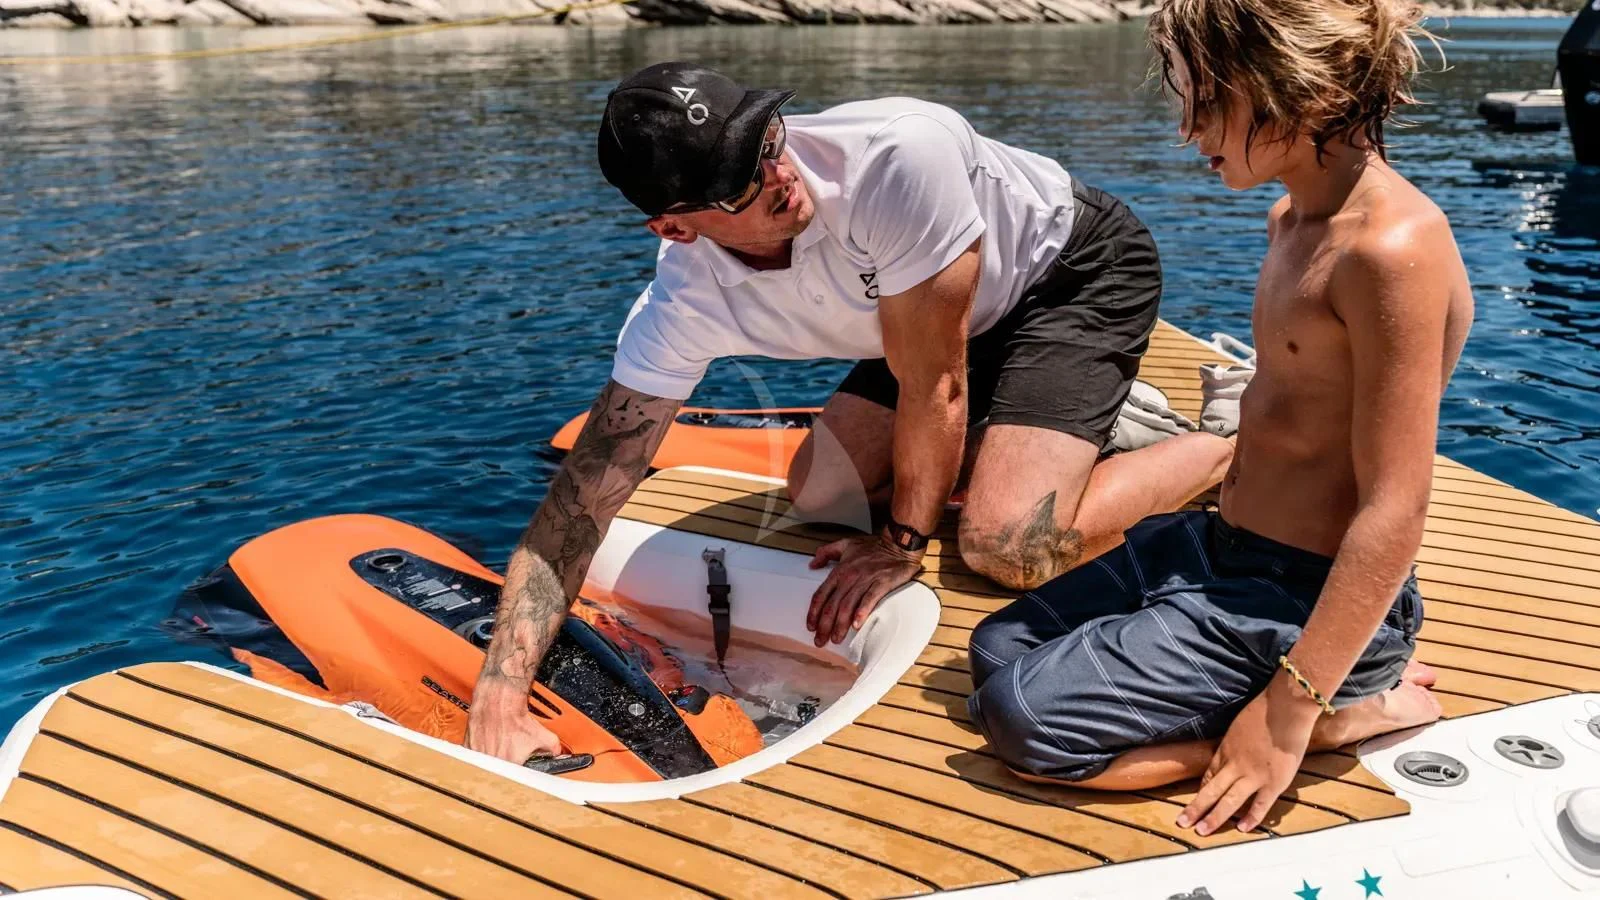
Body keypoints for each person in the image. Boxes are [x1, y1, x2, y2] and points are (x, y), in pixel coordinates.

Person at [466, 61, 1233, 764]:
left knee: (1006, 545)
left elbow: (936, 386)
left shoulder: (898, 157)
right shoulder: (680, 305)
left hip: (1066, 273)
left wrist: (903, 540)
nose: (779, 174)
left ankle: (1221, 440)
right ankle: (1071, 422)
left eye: (768, 137)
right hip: (923, 318)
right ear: (675, 226)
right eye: (741, 181)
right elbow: (583, 496)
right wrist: (500, 693)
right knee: (817, 496)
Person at [966, 0, 1475, 838]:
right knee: (997, 652)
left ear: (1292, 87)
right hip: (1215, 553)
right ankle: (1317, 693)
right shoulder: (1292, 219)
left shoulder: (1391, 251)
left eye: (1208, 103)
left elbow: (1397, 508)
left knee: (1027, 724)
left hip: (1293, 602)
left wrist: (1288, 713)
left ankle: (1342, 708)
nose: (1187, 130)